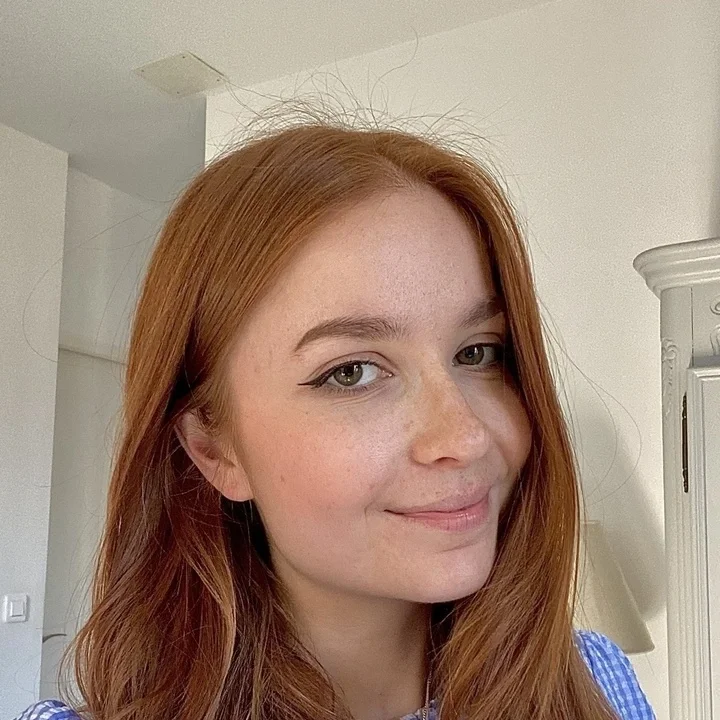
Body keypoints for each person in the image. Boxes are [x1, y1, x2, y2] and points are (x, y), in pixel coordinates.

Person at [13, 114, 655, 720]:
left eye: (478, 352)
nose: (464, 435)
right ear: (214, 449)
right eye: (352, 372)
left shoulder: (595, 684)